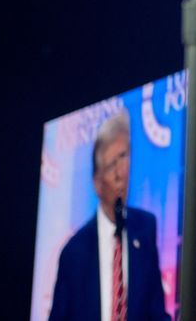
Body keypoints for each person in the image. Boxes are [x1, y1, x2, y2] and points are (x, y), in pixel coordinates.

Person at [49, 112, 170, 321]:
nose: (120, 173)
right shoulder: (74, 252)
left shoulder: (145, 228)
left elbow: (156, 311)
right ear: (96, 182)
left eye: (123, 157)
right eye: (111, 165)